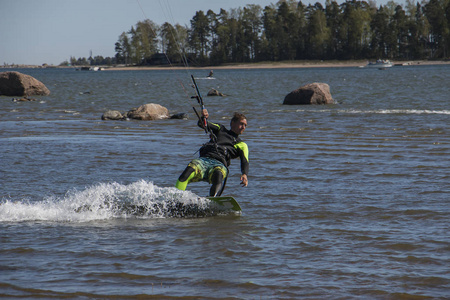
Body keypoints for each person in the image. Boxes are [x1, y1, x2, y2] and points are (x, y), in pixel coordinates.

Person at [175, 109, 249, 196]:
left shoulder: (241, 144)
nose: (243, 127)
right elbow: (202, 124)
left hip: (219, 165)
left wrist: (244, 174)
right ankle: (176, 198)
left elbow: (244, 160)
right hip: (203, 160)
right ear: (233, 123)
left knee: (218, 176)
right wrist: (204, 117)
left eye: (245, 125)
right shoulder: (220, 129)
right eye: (241, 124)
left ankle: (212, 200)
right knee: (187, 173)